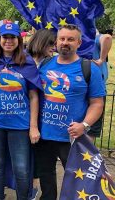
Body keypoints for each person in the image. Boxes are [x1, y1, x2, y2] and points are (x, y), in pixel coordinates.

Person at [35, 24, 105, 200]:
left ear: (79, 43)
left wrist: (85, 125)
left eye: (70, 39)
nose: (65, 43)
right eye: (62, 39)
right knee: (46, 178)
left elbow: (97, 103)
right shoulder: (44, 64)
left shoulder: (89, 68)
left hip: (71, 138)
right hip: (44, 135)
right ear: (56, 41)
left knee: (77, 182)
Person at [0, 23, 41, 200]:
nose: (9, 41)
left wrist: (33, 127)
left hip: (20, 124)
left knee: (21, 167)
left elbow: (34, 96)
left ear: (18, 40)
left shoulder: (27, 62)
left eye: (12, 37)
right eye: (5, 37)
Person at [25, 28, 56, 199]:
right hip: (21, 114)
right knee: (25, 153)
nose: (54, 47)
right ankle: (28, 186)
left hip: (44, 116)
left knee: (39, 155)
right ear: (41, 41)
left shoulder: (52, 62)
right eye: (51, 43)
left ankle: (34, 187)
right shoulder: (22, 58)